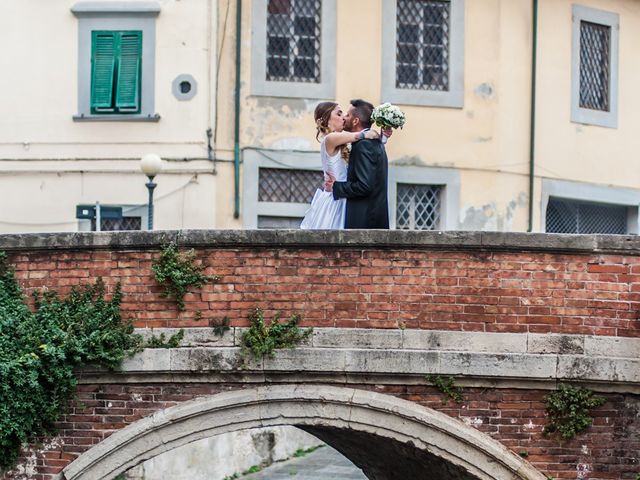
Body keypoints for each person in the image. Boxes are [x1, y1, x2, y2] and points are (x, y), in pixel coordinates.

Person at [300, 102, 380, 230]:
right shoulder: (330, 139)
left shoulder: (341, 141)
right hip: (335, 201)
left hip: (343, 195)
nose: (343, 117)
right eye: (339, 113)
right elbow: (362, 135)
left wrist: (383, 137)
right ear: (327, 119)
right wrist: (373, 133)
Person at [324, 99, 390, 229]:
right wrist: (380, 136)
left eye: (347, 115)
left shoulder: (364, 145)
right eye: (340, 114)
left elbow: (364, 186)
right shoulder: (371, 142)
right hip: (366, 216)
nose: (344, 118)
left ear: (355, 121)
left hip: (363, 219)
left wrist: (337, 187)